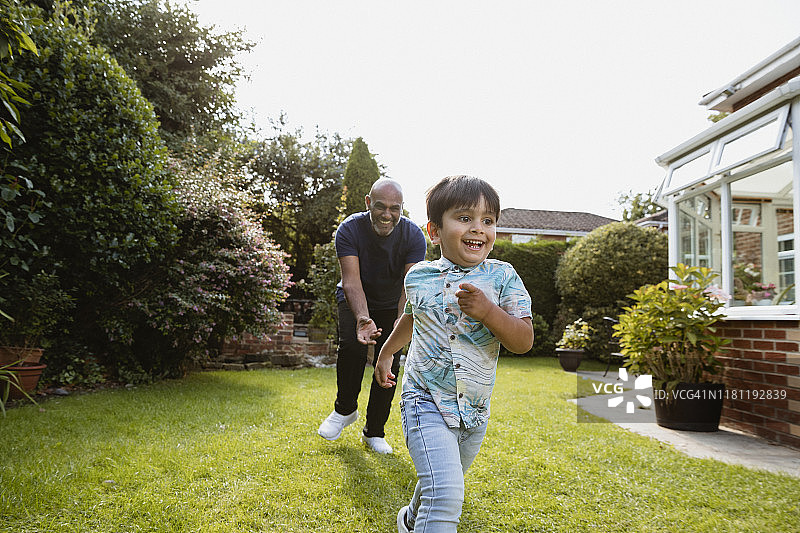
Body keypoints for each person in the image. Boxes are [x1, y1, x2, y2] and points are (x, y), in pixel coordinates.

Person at [375, 175, 533, 532]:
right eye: (465, 218)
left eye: (488, 220)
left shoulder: (504, 277)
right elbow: (412, 317)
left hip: (474, 408)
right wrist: (386, 355)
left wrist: (489, 313)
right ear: (434, 231)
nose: (478, 228)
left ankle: (411, 519)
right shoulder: (418, 276)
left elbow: (523, 341)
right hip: (424, 399)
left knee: (441, 481)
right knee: (446, 494)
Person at [317, 178, 427, 454]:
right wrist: (363, 319)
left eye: (395, 208)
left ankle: (374, 432)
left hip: (394, 303)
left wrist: (398, 328)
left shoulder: (414, 236)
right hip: (356, 296)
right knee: (353, 346)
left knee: (389, 360)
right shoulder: (350, 229)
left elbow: (409, 287)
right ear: (368, 203)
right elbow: (351, 280)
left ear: (402, 208)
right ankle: (345, 410)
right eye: (380, 206)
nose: (387, 215)